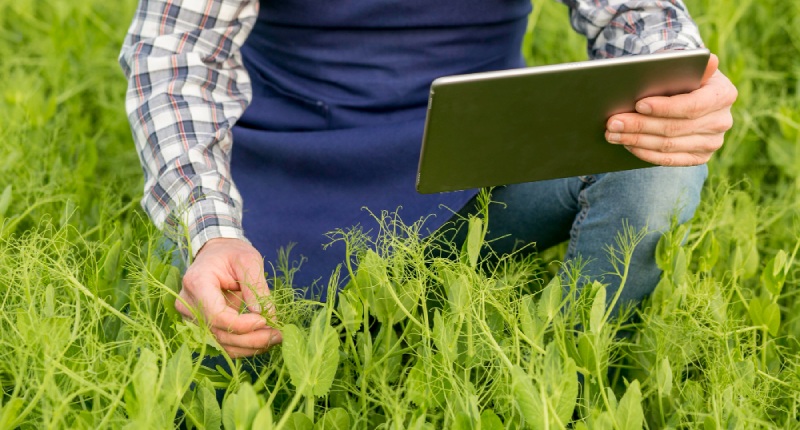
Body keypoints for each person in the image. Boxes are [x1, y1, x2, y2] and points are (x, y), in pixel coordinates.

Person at [119, 0, 737, 358]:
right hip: (280, 191)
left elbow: (638, 14)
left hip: (481, 176)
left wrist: (678, 85)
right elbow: (174, 57)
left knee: (661, 160)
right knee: (227, 359)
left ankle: (566, 381)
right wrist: (212, 232)